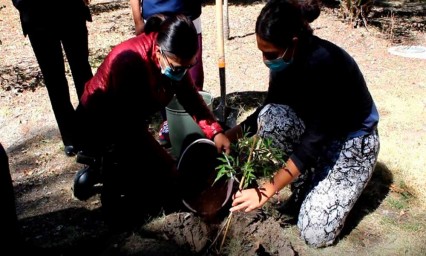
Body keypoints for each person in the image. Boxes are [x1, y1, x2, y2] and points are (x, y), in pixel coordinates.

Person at [226, 0, 380, 248]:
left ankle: (347, 185)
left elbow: (312, 142)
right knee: (272, 117)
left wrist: (266, 191)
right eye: (262, 52)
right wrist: (232, 134)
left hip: (352, 142)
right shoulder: (284, 60)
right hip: (317, 136)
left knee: (314, 232)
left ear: (293, 43)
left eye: (271, 54)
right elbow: (271, 105)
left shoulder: (326, 65)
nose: (266, 60)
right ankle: (308, 184)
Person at [72, 14, 230, 222]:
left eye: (188, 67)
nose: (183, 73)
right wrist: (168, 166)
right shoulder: (129, 63)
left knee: (155, 171)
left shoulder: (173, 62)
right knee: (133, 177)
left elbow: (191, 98)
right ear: (159, 52)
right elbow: (130, 130)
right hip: (100, 121)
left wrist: (216, 132)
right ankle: (110, 198)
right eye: (178, 68)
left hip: (130, 120)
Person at [12, 0, 93, 156]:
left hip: (70, 10)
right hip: (37, 17)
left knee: (82, 70)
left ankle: (91, 128)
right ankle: (70, 137)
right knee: (53, 79)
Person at [129, 0, 204, 145]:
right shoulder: (128, 63)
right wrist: (138, 20)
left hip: (188, 15)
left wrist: (214, 130)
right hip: (155, 14)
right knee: (161, 78)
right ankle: (169, 121)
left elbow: (189, 89)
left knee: (192, 80)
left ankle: (193, 125)